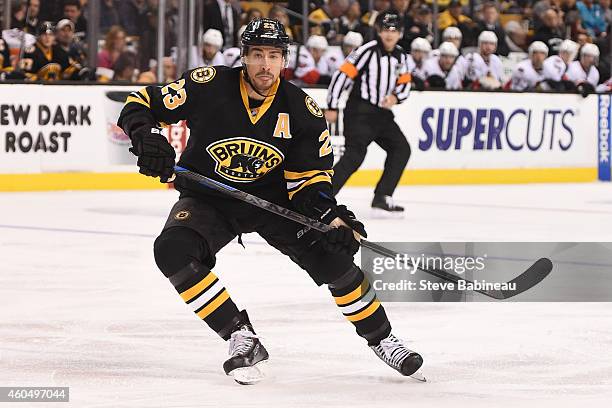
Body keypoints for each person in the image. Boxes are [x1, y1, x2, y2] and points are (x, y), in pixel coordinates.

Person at [117, 17, 423, 385]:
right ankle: (239, 335)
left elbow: (310, 180)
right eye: (257, 54)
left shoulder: (301, 110)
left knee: (336, 261)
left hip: (276, 200)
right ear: (243, 57)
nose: (265, 64)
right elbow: (139, 103)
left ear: (284, 60)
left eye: (273, 55)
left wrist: (332, 217)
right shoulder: (210, 85)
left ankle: (383, 338)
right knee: (172, 250)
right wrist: (147, 137)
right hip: (211, 197)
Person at [326, 11, 412, 215]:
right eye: (385, 30)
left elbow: (405, 83)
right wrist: (331, 105)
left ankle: (382, 196)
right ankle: (322, 197)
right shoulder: (367, 51)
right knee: (355, 155)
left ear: (400, 33)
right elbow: (341, 76)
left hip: (382, 115)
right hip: (360, 112)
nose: (389, 34)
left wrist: (396, 97)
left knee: (401, 149)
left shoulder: (401, 56)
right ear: (378, 31)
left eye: (394, 30)